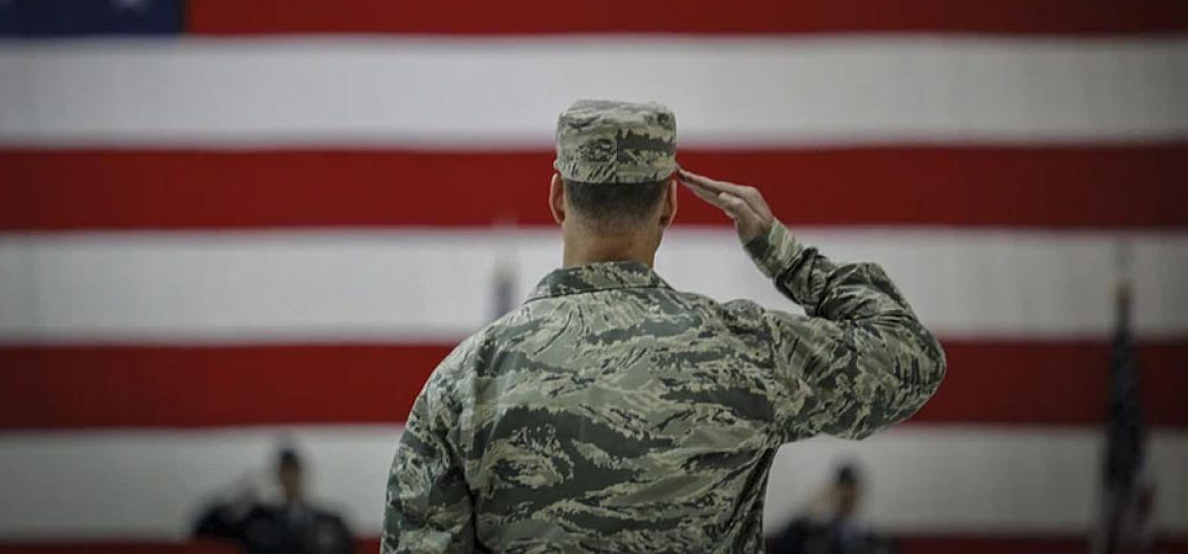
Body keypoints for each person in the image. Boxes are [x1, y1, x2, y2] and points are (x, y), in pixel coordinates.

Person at [382, 100, 946, 552]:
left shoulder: (466, 380)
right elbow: (908, 357)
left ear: (558, 198)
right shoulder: (743, 351)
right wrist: (785, 257)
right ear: (671, 206)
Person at [193, 446, 355, 554]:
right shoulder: (257, 519)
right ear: (277, 476)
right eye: (284, 472)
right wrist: (237, 503)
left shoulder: (329, 521)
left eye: (293, 471)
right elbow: (203, 529)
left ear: (301, 474)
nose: (289, 478)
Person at [766, 463, 897, 554]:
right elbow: (781, 548)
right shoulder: (812, 531)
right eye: (842, 490)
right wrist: (806, 513)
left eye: (852, 491)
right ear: (832, 492)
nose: (847, 496)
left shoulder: (874, 536)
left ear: (860, 492)